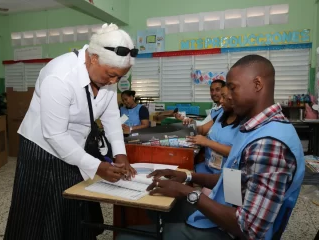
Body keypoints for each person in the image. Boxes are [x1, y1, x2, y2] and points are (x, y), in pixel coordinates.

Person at [116, 55, 305, 240]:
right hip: (225, 210)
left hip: (230, 231)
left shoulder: (269, 143)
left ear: (257, 84)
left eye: (232, 88)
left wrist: (187, 192)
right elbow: (234, 182)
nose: (227, 97)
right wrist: (188, 176)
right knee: (156, 205)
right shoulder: (255, 129)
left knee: (126, 236)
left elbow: (248, 228)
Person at [4, 23, 138, 240]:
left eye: (120, 78)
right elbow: (55, 135)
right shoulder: (59, 76)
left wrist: (119, 153)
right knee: (44, 213)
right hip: (44, 150)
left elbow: (111, 116)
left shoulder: (106, 73)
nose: (114, 82)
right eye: (111, 75)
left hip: (76, 146)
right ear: (93, 58)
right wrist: (97, 166)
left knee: (75, 207)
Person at [187, 85, 241, 174]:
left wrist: (207, 142)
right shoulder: (221, 115)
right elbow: (203, 129)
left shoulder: (244, 123)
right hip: (207, 167)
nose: (220, 101)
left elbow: (236, 152)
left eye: (224, 97)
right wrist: (192, 125)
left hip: (223, 175)